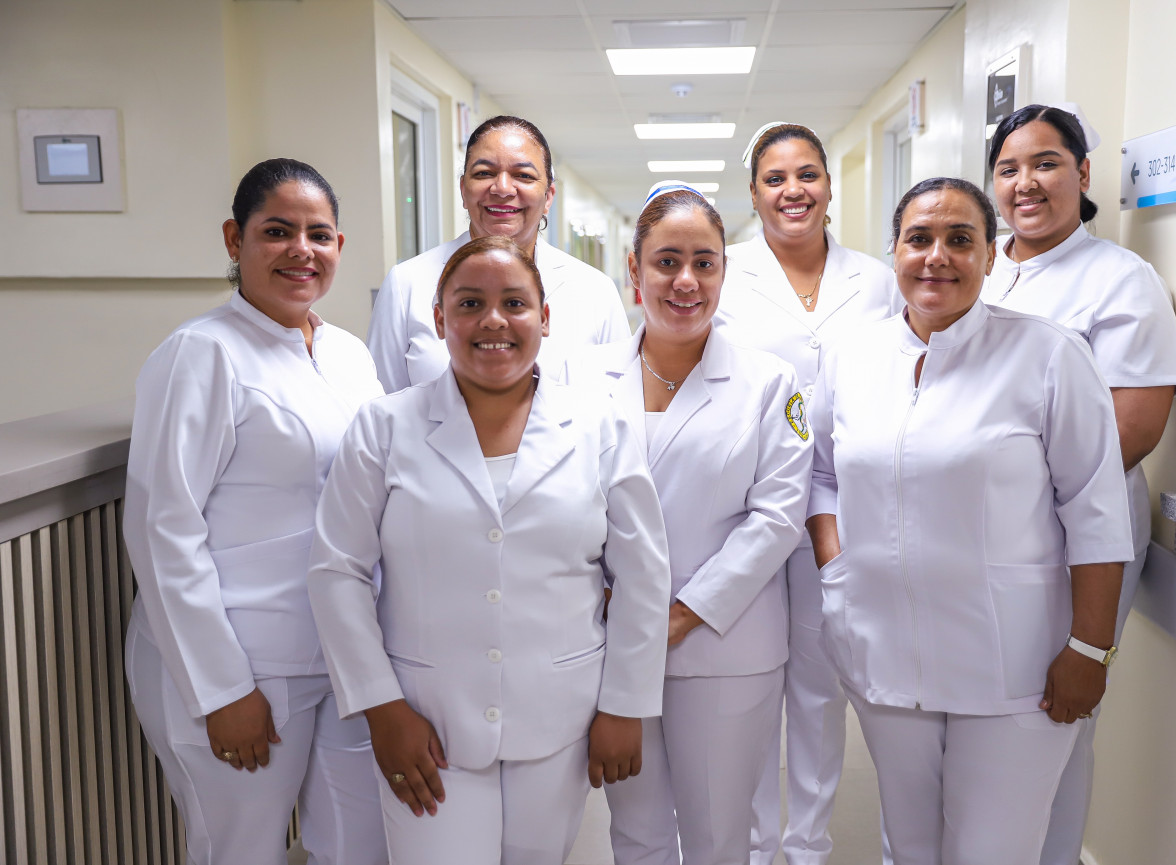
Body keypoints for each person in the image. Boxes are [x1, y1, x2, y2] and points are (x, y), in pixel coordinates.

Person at [307, 235, 671, 865]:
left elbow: (643, 575)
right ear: (440, 319)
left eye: (515, 304)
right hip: (425, 724)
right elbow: (337, 569)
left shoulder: (601, 426)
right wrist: (380, 706)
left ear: (545, 318)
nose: (494, 321)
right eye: (470, 303)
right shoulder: (384, 427)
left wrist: (624, 706)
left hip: (560, 718)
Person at [809, 177, 1133, 865]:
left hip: (1014, 665)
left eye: (960, 239)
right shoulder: (851, 357)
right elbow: (823, 477)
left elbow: (1096, 511)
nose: (938, 256)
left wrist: (1089, 649)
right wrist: (836, 575)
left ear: (990, 255)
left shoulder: (1049, 355)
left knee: (993, 852)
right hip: (884, 652)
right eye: (918, 239)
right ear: (894, 251)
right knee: (910, 848)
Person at [122, 158, 386, 865]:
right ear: (234, 239)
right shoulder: (200, 353)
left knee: (359, 846)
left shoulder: (349, 355)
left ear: (338, 245)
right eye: (277, 231)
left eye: (319, 235)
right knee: (241, 850)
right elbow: (163, 529)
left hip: (340, 655)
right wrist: (221, 689)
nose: (302, 250)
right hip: (244, 659)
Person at [564, 182, 813, 865]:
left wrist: (679, 614)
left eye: (704, 262)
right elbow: (559, 499)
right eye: (667, 261)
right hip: (609, 643)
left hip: (725, 649)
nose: (685, 280)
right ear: (634, 269)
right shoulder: (578, 376)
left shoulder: (769, 381)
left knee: (718, 837)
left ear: (723, 272)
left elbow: (777, 517)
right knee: (635, 834)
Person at [982, 103, 1176, 865]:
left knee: (1054, 718)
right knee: (978, 717)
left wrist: (1009, 494)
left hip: (1074, 535)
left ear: (1084, 173)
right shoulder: (976, 265)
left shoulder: (1120, 280)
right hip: (977, 534)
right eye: (1009, 168)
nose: (1026, 183)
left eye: (1046, 163)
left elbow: (1135, 425)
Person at [714, 121, 897, 865]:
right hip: (747, 506)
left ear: (828, 184)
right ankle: (757, 845)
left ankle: (807, 845)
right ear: (754, 192)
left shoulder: (876, 279)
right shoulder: (724, 270)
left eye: (807, 174)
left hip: (844, 509)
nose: (793, 190)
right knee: (755, 686)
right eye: (775, 178)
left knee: (822, 688)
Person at [367, 114, 629, 392]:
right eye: (484, 173)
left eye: (524, 176)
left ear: (548, 197)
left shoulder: (596, 291)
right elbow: (383, 401)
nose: (502, 188)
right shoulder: (406, 284)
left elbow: (619, 402)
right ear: (463, 190)